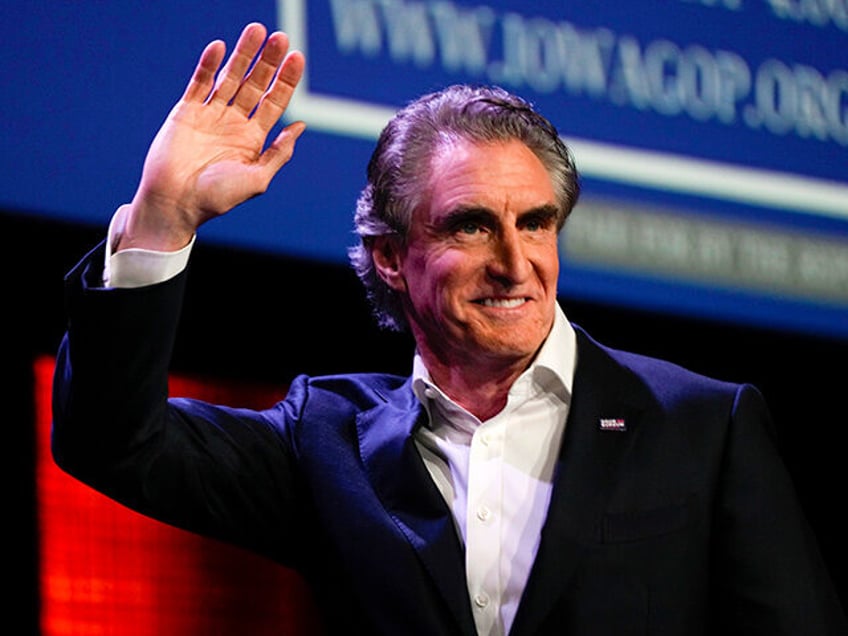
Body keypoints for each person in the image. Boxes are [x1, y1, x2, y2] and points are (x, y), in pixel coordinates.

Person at [51, 22, 846, 635]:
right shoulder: (328, 441)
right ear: (393, 256)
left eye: (536, 224)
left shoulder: (702, 425)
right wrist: (162, 215)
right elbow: (111, 441)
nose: (515, 263)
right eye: (471, 227)